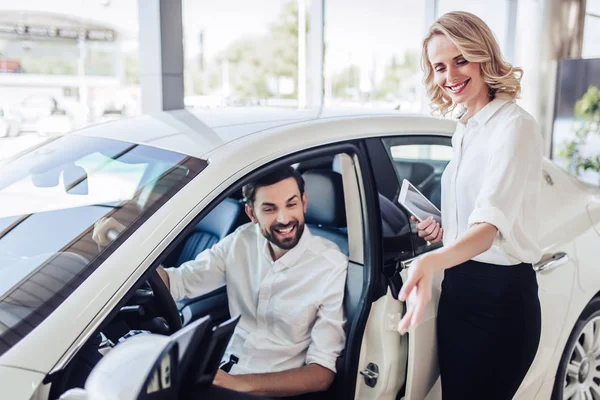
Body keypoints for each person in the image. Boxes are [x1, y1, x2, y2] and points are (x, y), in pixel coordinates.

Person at [94, 166, 348, 399]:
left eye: (291, 205)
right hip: (219, 372)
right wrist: (124, 247)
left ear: (304, 202)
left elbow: (321, 374)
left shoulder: (330, 265)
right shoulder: (242, 241)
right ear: (252, 213)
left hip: (267, 391)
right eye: (269, 209)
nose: (283, 219)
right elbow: (176, 283)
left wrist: (239, 384)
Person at [396, 11, 543, 400]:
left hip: (500, 299)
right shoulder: (465, 127)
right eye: (439, 66)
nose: (449, 76)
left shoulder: (515, 126)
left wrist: (430, 260)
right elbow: (477, 219)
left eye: (460, 59)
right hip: (460, 288)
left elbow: (490, 230)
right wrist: (445, 230)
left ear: (484, 56)